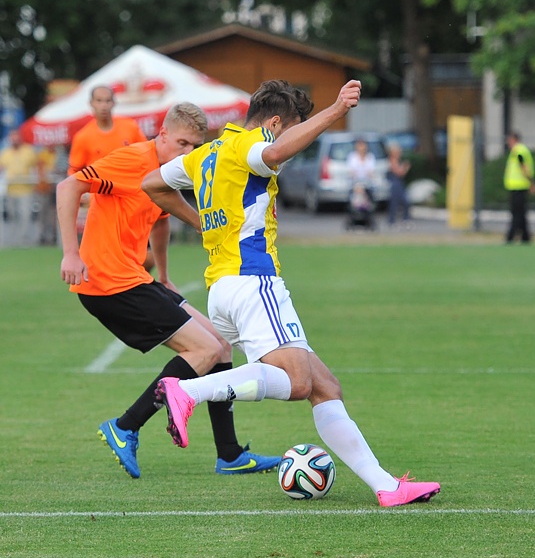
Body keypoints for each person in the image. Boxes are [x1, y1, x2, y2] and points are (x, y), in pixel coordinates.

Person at [141, 79, 440, 507]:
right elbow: (275, 151)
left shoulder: (205, 154)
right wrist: (336, 110)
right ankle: (188, 391)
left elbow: (152, 183)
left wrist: (202, 222)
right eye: (293, 129)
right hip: (253, 280)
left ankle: (385, 486)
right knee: (298, 382)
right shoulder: (249, 145)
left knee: (324, 386)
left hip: (223, 288)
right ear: (276, 122)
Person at [58, 102, 281, 479]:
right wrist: (70, 252)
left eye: (194, 146)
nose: (187, 153)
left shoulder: (166, 174)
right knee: (204, 349)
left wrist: (164, 272)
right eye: (180, 143)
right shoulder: (132, 159)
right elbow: (69, 186)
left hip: (136, 278)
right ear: (161, 135)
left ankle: (229, 453)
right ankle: (126, 426)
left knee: (221, 343)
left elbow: (161, 218)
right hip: (107, 283)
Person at [68, 86, 156, 271]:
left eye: (107, 100)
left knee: (147, 259)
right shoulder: (83, 137)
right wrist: (82, 194)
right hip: (102, 206)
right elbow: (74, 172)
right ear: (91, 104)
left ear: (114, 102)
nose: (104, 105)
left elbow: (147, 156)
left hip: (131, 201)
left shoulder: (129, 127)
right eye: (99, 101)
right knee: (107, 259)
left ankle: (136, 285)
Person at [0, 128, 39, 247]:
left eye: (16, 136)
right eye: (12, 137)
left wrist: (37, 182)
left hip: (25, 189)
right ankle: (13, 239)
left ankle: (24, 239)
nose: (14, 139)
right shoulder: (5, 153)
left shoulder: (29, 151)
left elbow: (36, 167)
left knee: (25, 214)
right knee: (12, 215)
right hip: (11, 189)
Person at [503, 132, 535, 244]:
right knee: (521, 213)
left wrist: (531, 183)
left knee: (516, 213)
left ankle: (511, 237)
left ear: (514, 139)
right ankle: (525, 237)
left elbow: (523, 166)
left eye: (509, 140)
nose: (508, 143)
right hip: (517, 186)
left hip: (518, 187)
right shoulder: (519, 150)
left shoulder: (518, 151)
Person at [386, 142, 411, 228]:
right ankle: (392, 221)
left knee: (406, 201)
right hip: (395, 183)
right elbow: (399, 173)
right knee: (395, 203)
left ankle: (405, 219)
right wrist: (405, 167)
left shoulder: (397, 160)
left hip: (400, 182)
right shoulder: (392, 161)